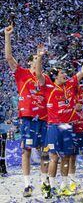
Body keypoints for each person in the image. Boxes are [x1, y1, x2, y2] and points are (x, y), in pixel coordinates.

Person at [35, 43, 83, 198]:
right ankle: (52, 186)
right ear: (55, 76)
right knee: (54, 157)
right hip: (54, 127)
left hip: (69, 127)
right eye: (62, 74)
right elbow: (38, 73)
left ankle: (64, 185)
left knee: (67, 157)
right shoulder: (48, 86)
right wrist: (40, 56)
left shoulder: (70, 85)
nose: (65, 76)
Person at [4, 25, 49, 197]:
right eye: (35, 58)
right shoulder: (22, 74)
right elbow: (8, 57)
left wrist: (40, 58)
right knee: (26, 150)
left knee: (45, 150)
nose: (38, 61)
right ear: (30, 62)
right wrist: (7, 36)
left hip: (43, 119)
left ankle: (45, 183)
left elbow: (40, 77)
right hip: (29, 118)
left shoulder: (44, 78)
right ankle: (27, 185)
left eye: (40, 59)